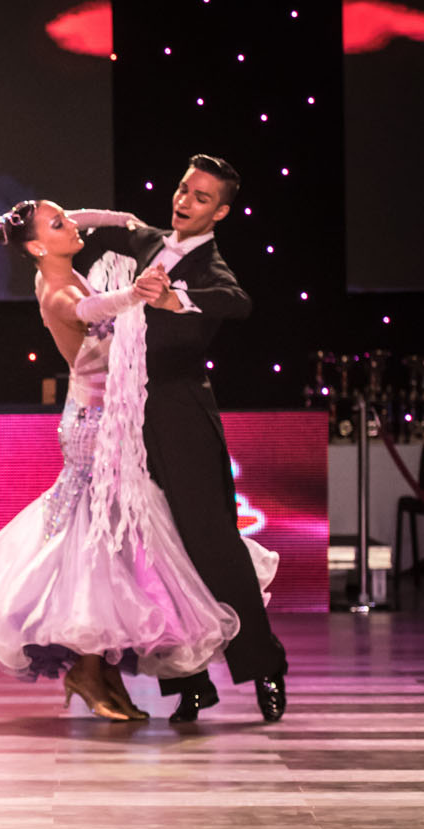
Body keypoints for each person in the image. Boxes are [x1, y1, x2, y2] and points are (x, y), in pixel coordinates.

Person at [0, 199, 274, 722]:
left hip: (113, 418)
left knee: (113, 543)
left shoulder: (65, 266)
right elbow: (83, 313)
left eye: (69, 217)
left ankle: (100, 668)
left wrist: (92, 218)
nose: (72, 226)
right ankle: (90, 669)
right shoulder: (59, 287)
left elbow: (115, 226)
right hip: (93, 425)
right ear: (36, 246)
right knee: (98, 540)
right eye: (58, 224)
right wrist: (132, 295)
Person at [68, 155, 289, 723]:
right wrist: (41, 220)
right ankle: (189, 685)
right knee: (151, 551)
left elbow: (239, 303)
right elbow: (103, 221)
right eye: (183, 188)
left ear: (220, 210)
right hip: (127, 413)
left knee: (210, 541)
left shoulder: (211, 264)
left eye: (199, 196)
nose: (184, 200)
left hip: (180, 411)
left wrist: (176, 299)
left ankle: (264, 666)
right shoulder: (146, 241)